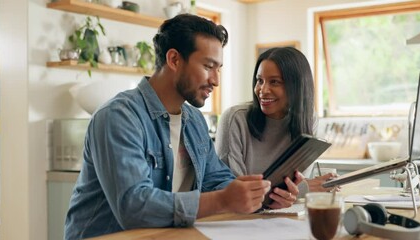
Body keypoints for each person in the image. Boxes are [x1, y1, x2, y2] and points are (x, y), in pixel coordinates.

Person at [64, 14, 271, 239]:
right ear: (174, 60)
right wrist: (222, 200)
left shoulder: (193, 120)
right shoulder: (118, 117)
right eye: (208, 66)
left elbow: (216, 180)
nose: (215, 80)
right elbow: (134, 207)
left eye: (218, 69)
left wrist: (259, 194)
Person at [215, 47, 335, 209]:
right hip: (238, 218)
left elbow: (294, 186)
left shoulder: (308, 118)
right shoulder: (234, 119)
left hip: (279, 216)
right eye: (259, 80)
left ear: (296, 86)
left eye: (275, 82)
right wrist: (303, 189)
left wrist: (294, 192)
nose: (263, 90)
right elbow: (233, 191)